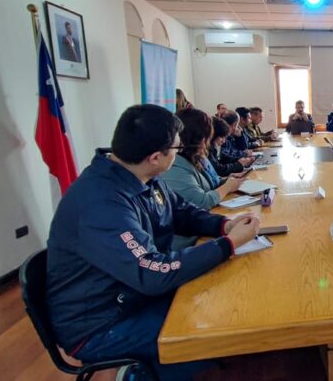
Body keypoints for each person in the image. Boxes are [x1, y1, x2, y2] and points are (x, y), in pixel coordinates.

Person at [46, 104, 261, 381]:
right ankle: (132, 375)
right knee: (214, 333)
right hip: (101, 323)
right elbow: (151, 272)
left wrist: (224, 225)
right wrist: (227, 244)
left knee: (221, 308)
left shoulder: (142, 175)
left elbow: (181, 211)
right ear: (156, 157)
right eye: (176, 148)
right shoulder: (101, 202)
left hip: (132, 296)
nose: (179, 152)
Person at [162, 108, 243, 211]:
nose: (207, 142)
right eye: (207, 136)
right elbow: (201, 202)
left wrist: (228, 180)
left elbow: (213, 182)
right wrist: (228, 187)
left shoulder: (198, 155)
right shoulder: (174, 164)